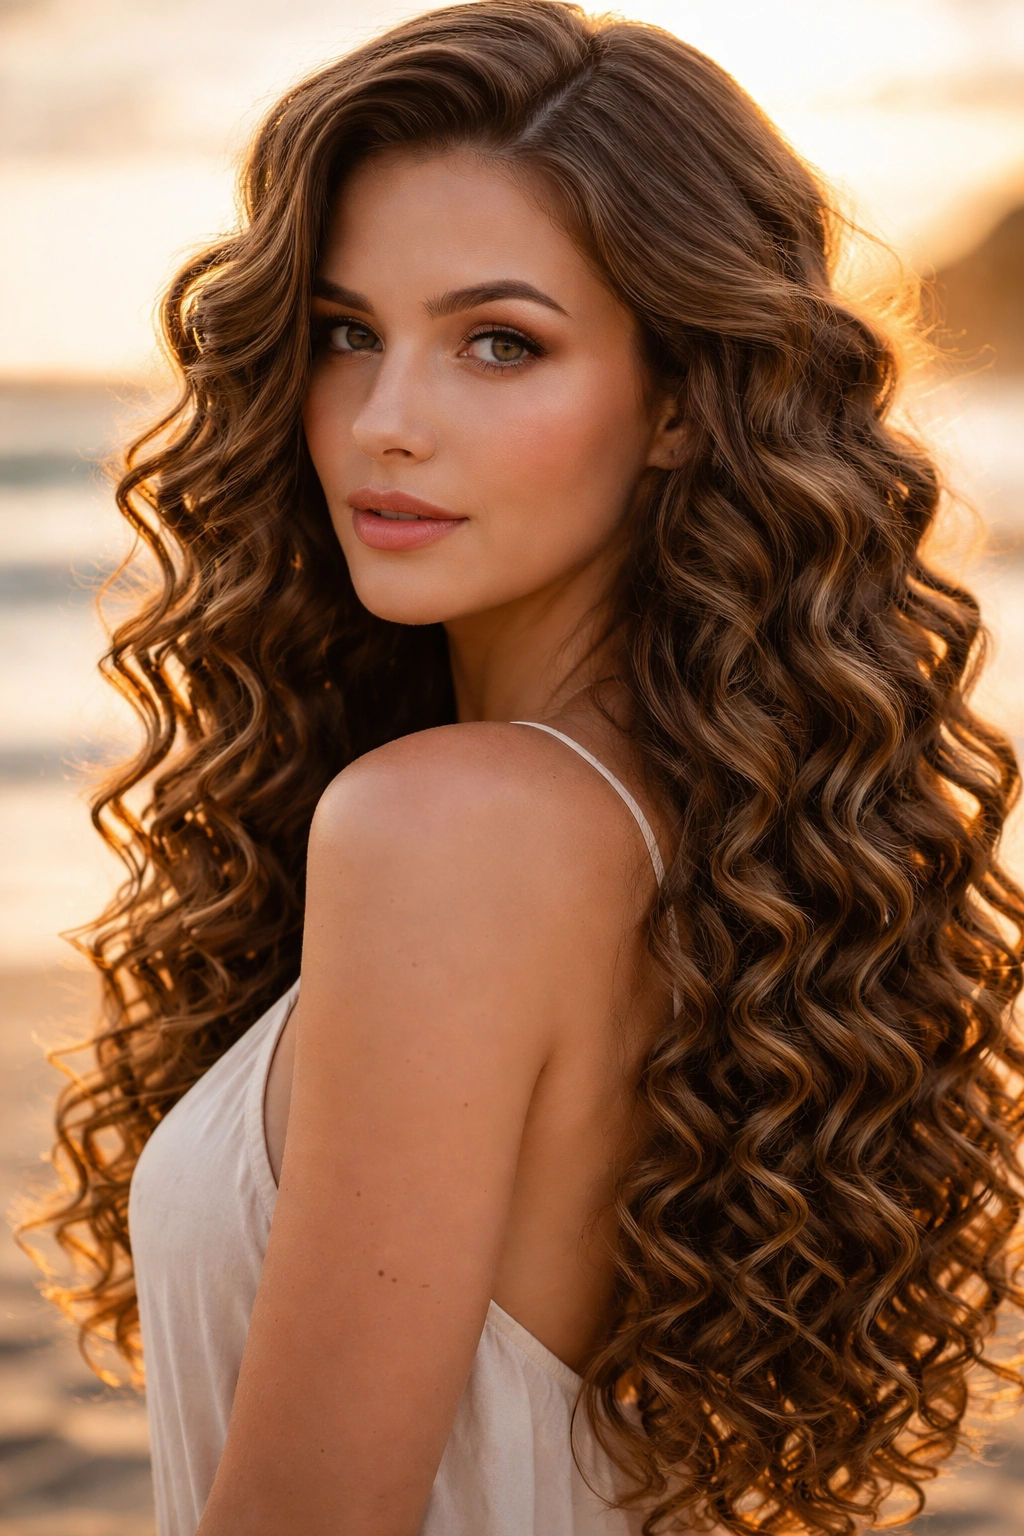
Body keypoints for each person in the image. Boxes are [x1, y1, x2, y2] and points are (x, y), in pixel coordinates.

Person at [28, 3, 1024, 1533]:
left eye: (500, 342)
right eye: (347, 332)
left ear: (684, 404)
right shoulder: (700, 839)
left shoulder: (450, 830)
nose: (386, 421)